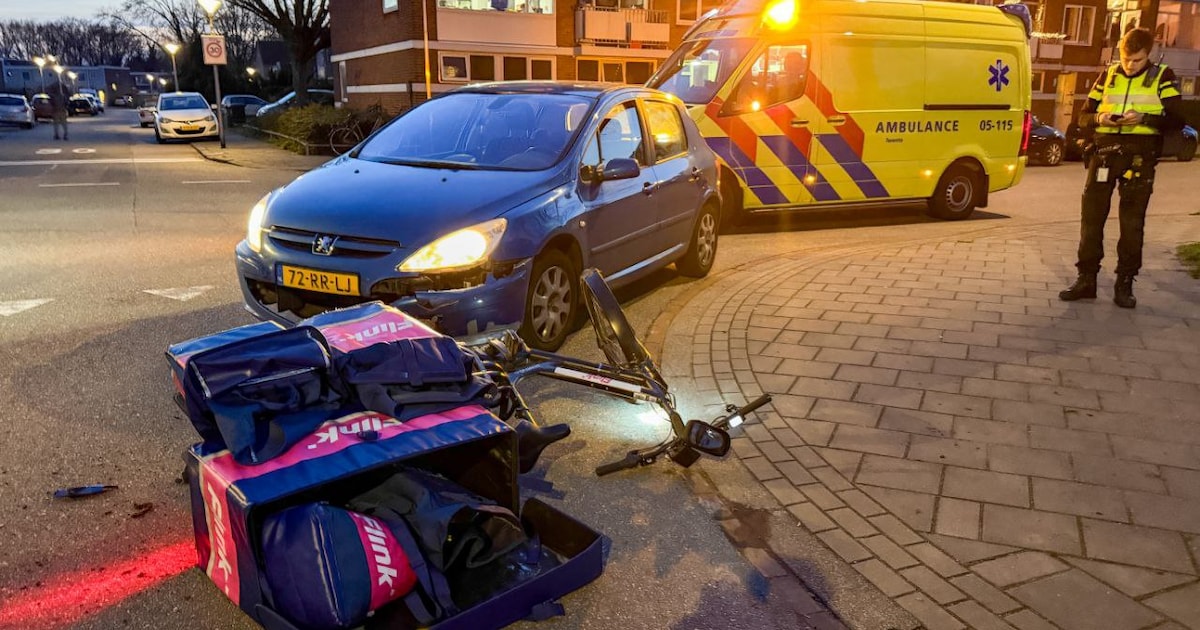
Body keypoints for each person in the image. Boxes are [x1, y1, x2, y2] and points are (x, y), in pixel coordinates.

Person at [1059, 28, 1183, 308]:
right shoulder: (1109, 75)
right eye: (1126, 59)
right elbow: (1082, 116)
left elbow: (1177, 119)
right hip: (1104, 154)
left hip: (1140, 157)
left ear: (1149, 54)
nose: (1130, 65)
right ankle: (1086, 279)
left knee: (1131, 224)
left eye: (1137, 60)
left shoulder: (1162, 76)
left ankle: (1124, 283)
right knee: (1091, 220)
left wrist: (1145, 118)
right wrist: (1100, 117)